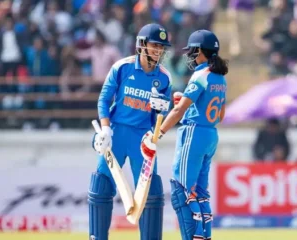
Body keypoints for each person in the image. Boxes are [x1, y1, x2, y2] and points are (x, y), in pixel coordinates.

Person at [140, 29, 228, 240]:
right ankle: (204, 237)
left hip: (194, 134)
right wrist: (190, 107)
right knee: (200, 193)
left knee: (182, 192)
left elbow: (178, 110)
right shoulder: (220, 78)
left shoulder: (201, 75)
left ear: (200, 51)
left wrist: (157, 133)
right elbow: (220, 115)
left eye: (192, 52)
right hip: (210, 136)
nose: (190, 56)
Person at [90, 23, 172, 240]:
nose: (158, 51)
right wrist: (105, 129)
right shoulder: (122, 67)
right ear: (142, 45)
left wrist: (156, 133)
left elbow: (161, 116)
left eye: (161, 47)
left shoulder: (164, 77)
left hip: (142, 138)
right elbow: (104, 99)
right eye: (154, 45)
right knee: (101, 185)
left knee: (150, 192)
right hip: (116, 133)